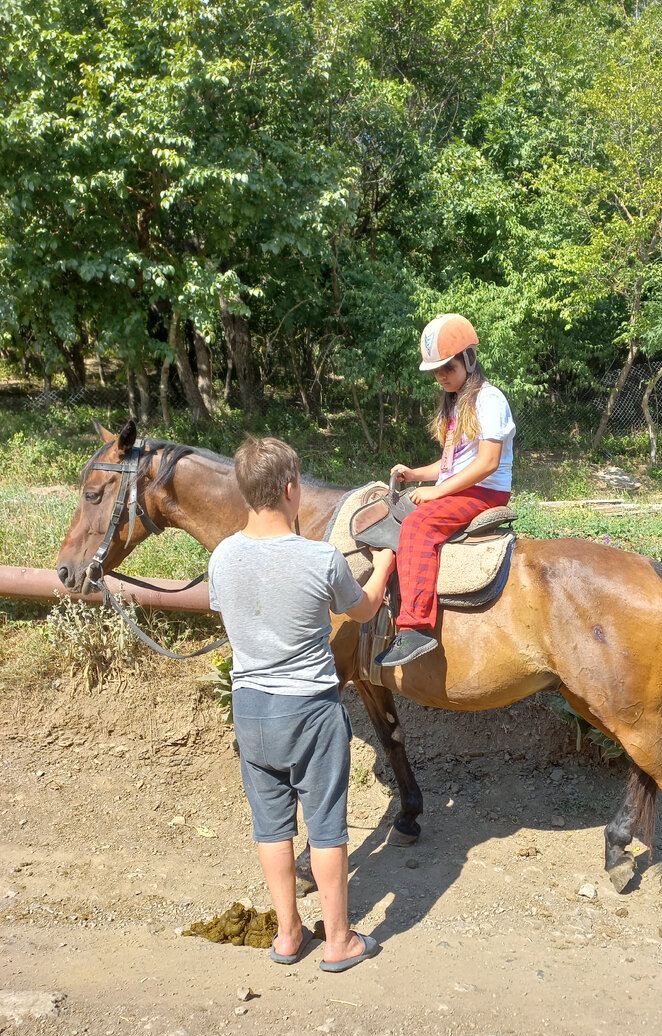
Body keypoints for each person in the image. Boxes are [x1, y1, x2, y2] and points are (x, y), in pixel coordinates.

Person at [208, 436, 395, 972]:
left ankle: (288, 933)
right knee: (327, 825)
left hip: (251, 709)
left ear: (246, 491)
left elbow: (235, 614)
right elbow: (364, 612)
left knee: (271, 825)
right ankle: (338, 940)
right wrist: (382, 564)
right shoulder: (321, 558)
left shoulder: (222, 556)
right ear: (292, 489)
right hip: (310, 710)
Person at [375, 313, 515, 669]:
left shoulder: (489, 399)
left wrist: (436, 495)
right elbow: (448, 466)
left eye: (447, 368)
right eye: (436, 372)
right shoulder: (455, 404)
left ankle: (415, 626)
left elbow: (487, 463)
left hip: (486, 491)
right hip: (463, 488)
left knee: (418, 526)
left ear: (468, 360)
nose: (441, 377)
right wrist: (413, 475)